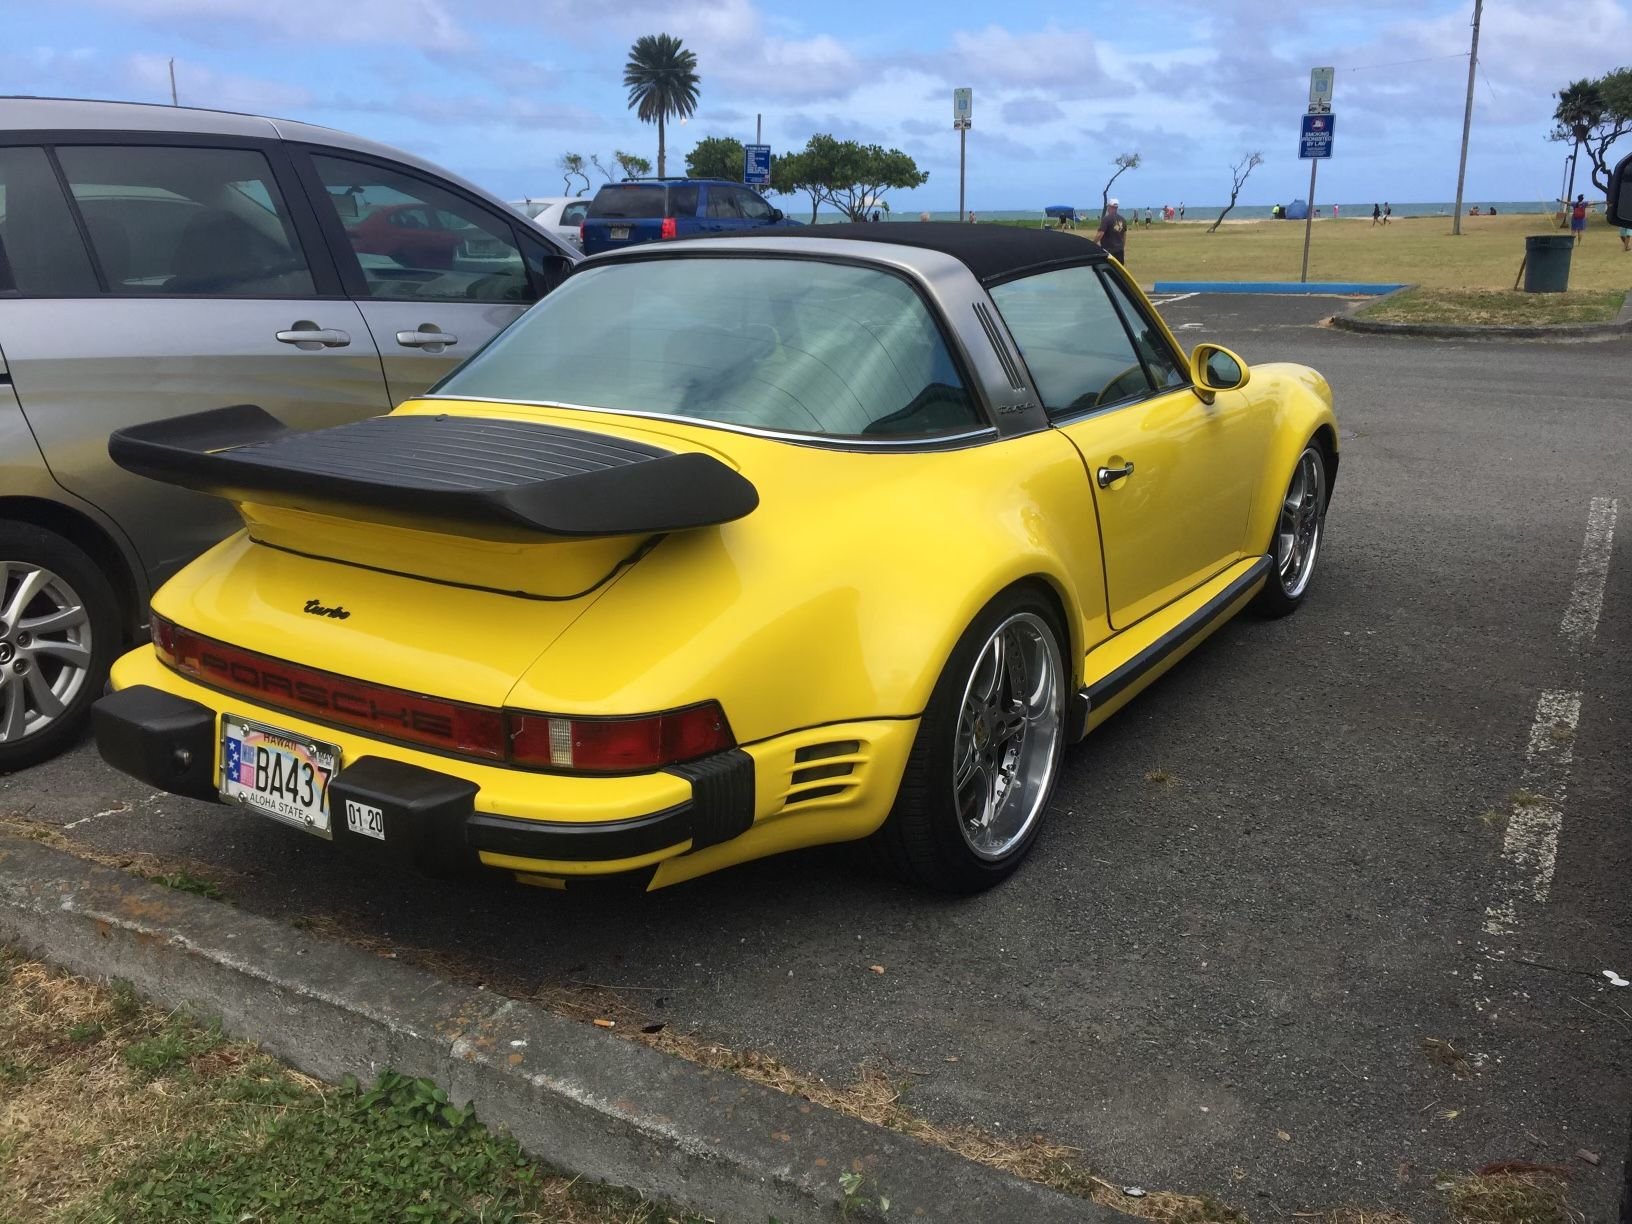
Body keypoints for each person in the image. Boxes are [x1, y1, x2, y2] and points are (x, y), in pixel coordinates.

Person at [1095, 197, 1128, 264]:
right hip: (1120, 251)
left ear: (1109, 207)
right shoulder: (1123, 219)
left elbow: (1100, 233)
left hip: (1109, 250)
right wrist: (1122, 246)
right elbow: (1124, 235)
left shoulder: (1106, 219)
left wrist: (1093, 243)